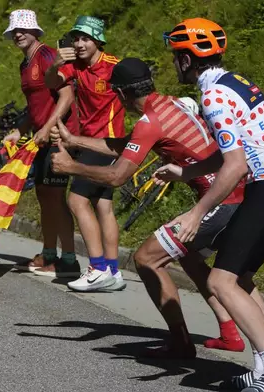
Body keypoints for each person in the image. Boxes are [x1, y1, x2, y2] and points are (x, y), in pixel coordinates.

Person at [49, 57, 248, 357]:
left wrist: (70, 167)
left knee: (146, 259)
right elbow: (128, 144)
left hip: (222, 199)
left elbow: (117, 176)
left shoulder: (149, 122)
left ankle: (181, 344)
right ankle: (230, 334)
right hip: (235, 191)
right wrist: (75, 139)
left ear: (121, 94)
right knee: (191, 256)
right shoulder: (166, 104)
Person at [157, 18, 264, 391]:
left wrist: (195, 212)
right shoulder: (233, 81)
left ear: (188, 60)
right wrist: (187, 172)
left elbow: (235, 165)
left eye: (177, 56)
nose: (175, 64)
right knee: (239, 278)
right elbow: (234, 151)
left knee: (220, 281)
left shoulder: (213, 97)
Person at [43, 15, 125, 289]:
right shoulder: (75, 67)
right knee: (103, 206)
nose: (79, 43)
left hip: (109, 142)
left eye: (85, 38)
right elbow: (52, 83)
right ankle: (113, 271)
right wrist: (55, 63)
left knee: (76, 201)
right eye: (76, 38)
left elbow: (141, 91)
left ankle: (97, 267)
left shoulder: (115, 67)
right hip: (86, 141)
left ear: (98, 41)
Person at [1, 9, 80, 273]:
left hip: (59, 136)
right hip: (41, 138)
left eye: (23, 29)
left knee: (56, 198)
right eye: (15, 30)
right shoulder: (25, 63)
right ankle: (48, 254)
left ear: (35, 31)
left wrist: (47, 128)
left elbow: (67, 95)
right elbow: (35, 104)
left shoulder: (46, 56)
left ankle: (69, 260)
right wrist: (19, 129)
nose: (18, 34)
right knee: (45, 195)